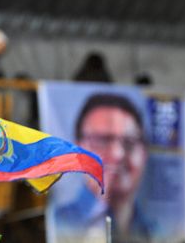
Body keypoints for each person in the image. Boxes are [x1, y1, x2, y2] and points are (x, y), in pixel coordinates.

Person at [52, 94, 151, 243]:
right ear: (78, 150)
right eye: (102, 140)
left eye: (129, 142)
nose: (118, 154)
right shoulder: (54, 225)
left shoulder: (163, 231)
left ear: (144, 152)